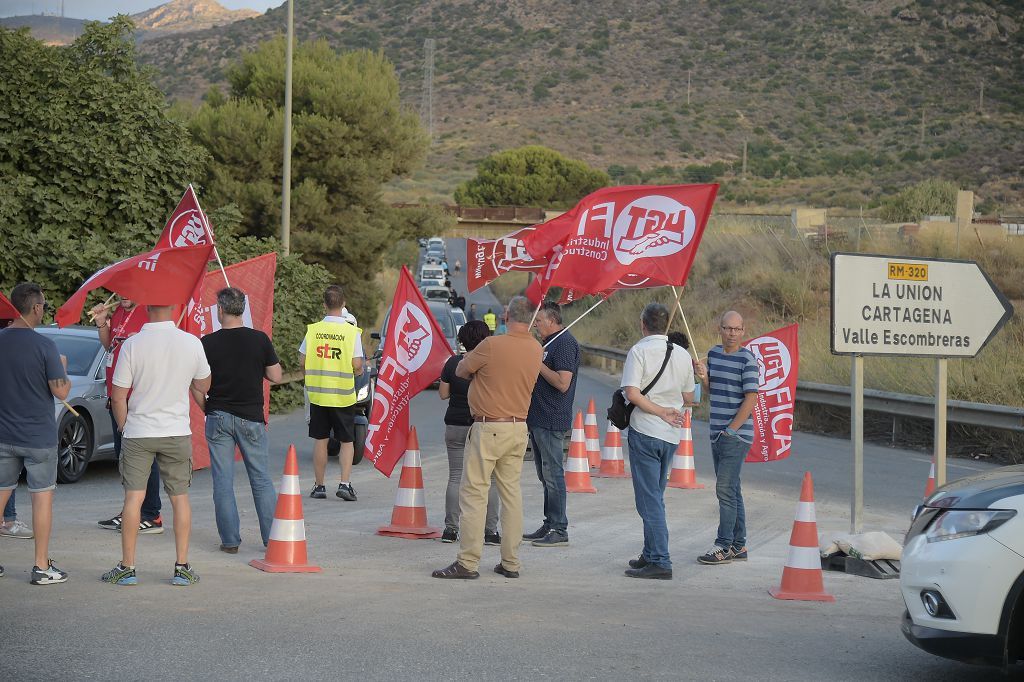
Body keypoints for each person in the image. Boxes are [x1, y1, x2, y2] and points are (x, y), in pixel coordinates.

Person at [432, 296, 542, 580]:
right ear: (530, 319)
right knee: (511, 495)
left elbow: (460, 370)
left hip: (488, 426)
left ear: (507, 316)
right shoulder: (535, 348)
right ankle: (511, 562)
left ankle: (468, 562)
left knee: (474, 494)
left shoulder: (492, 345)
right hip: (518, 427)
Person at [102, 304, 211, 586]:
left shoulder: (132, 344)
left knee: (133, 499)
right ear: (175, 308)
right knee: (180, 498)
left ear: (147, 308)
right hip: (176, 430)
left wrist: (125, 427)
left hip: (139, 431)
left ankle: (127, 568)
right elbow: (204, 384)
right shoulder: (191, 342)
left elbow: (118, 396)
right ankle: (182, 567)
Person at [194, 287, 282, 554]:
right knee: (261, 480)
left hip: (218, 415)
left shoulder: (206, 343)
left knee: (223, 481)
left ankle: (230, 541)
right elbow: (276, 376)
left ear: (220, 310)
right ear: (242, 309)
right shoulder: (259, 339)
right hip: (251, 418)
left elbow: (197, 385)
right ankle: (272, 539)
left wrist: (207, 408)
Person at [0, 283, 71, 584]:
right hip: (38, 437)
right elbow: (61, 391)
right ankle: (41, 567)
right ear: (36, 307)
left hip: (3, 434)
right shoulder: (45, 346)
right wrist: (63, 369)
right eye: (43, 304)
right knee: (41, 499)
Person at [620, 303, 695, 580]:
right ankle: (651, 553)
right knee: (655, 495)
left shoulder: (639, 351)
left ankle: (660, 560)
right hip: (671, 435)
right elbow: (690, 398)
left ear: (643, 324)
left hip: (646, 430)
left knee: (648, 499)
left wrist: (659, 410)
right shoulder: (683, 355)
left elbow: (632, 392)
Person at [91, 299, 165, 535]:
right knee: (125, 458)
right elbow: (109, 347)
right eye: (120, 291)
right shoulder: (120, 311)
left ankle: (152, 514)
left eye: (128, 291)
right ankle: (130, 511)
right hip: (117, 397)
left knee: (144, 457)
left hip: (140, 397)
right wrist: (103, 324)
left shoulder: (148, 310)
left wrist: (140, 341)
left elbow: (163, 349)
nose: (123, 296)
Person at [694, 311, 759, 565]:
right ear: (719, 329)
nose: (732, 333)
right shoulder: (713, 354)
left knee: (724, 489)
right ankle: (739, 545)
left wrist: (731, 429)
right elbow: (713, 391)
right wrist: (704, 377)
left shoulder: (747, 360)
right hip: (716, 434)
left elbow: (751, 398)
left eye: (737, 329)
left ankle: (723, 545)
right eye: (727, 328)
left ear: (743, 331)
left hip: (736, 435)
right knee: (733, 489)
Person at [300, 285, 364, 501]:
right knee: (347, 441)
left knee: (321, 439)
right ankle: (345, 484)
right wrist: (359, 369)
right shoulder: (351, 332)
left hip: (318, 395)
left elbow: (302, 360)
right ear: (343, 304)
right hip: (342, 395)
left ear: (324, 304)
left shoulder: (314, 330)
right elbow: (357, 364)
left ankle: (319, 487)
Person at [523, 302, 580, 547]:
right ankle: (549, 523)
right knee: (544, 475)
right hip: (537, 417)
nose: (536, 324)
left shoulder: (565, 343)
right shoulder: (547, 344)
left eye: (539, 320)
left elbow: (562, 382)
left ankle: (559, 528)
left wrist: (537, 364)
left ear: (552, 320)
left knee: (553, 475)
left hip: (552, 417)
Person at [438, 320, 500, 545]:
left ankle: (450, 529)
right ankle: (490, 531)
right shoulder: (491, 364)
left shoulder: (453, 362)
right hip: (482, 424)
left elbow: (443, 394)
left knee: (456, 476)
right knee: (490, 479)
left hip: (455, 424)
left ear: (462, 340)